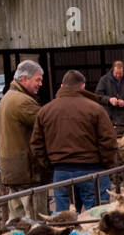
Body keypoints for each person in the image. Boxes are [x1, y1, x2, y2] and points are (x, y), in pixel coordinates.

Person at [29, 69, 116, 214]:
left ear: (62, 87)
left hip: (61, 170)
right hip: (92, 169)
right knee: (97, 218)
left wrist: (50, 164)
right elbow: (108, 141)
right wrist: (105, 163)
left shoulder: (45, 111)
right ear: (82, 87)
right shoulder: (95, 109)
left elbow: (36, 144)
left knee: (64, 219)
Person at [0, 60, 48, 222]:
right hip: (27, 170)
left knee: (17, 219)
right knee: (36, 219)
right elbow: (46, 124)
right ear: (25, 79)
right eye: (37, 80)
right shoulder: (23, 102)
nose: (40, 84)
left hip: (12, 169)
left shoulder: (8, 97)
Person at [95, 60, 124, 130]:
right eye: (116, 73)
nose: (118, 76)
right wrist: (109, 100)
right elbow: (97, 95)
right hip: (108, 117)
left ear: (123, 71)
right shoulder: (104, 80)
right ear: (112, 70)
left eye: (120, 74)